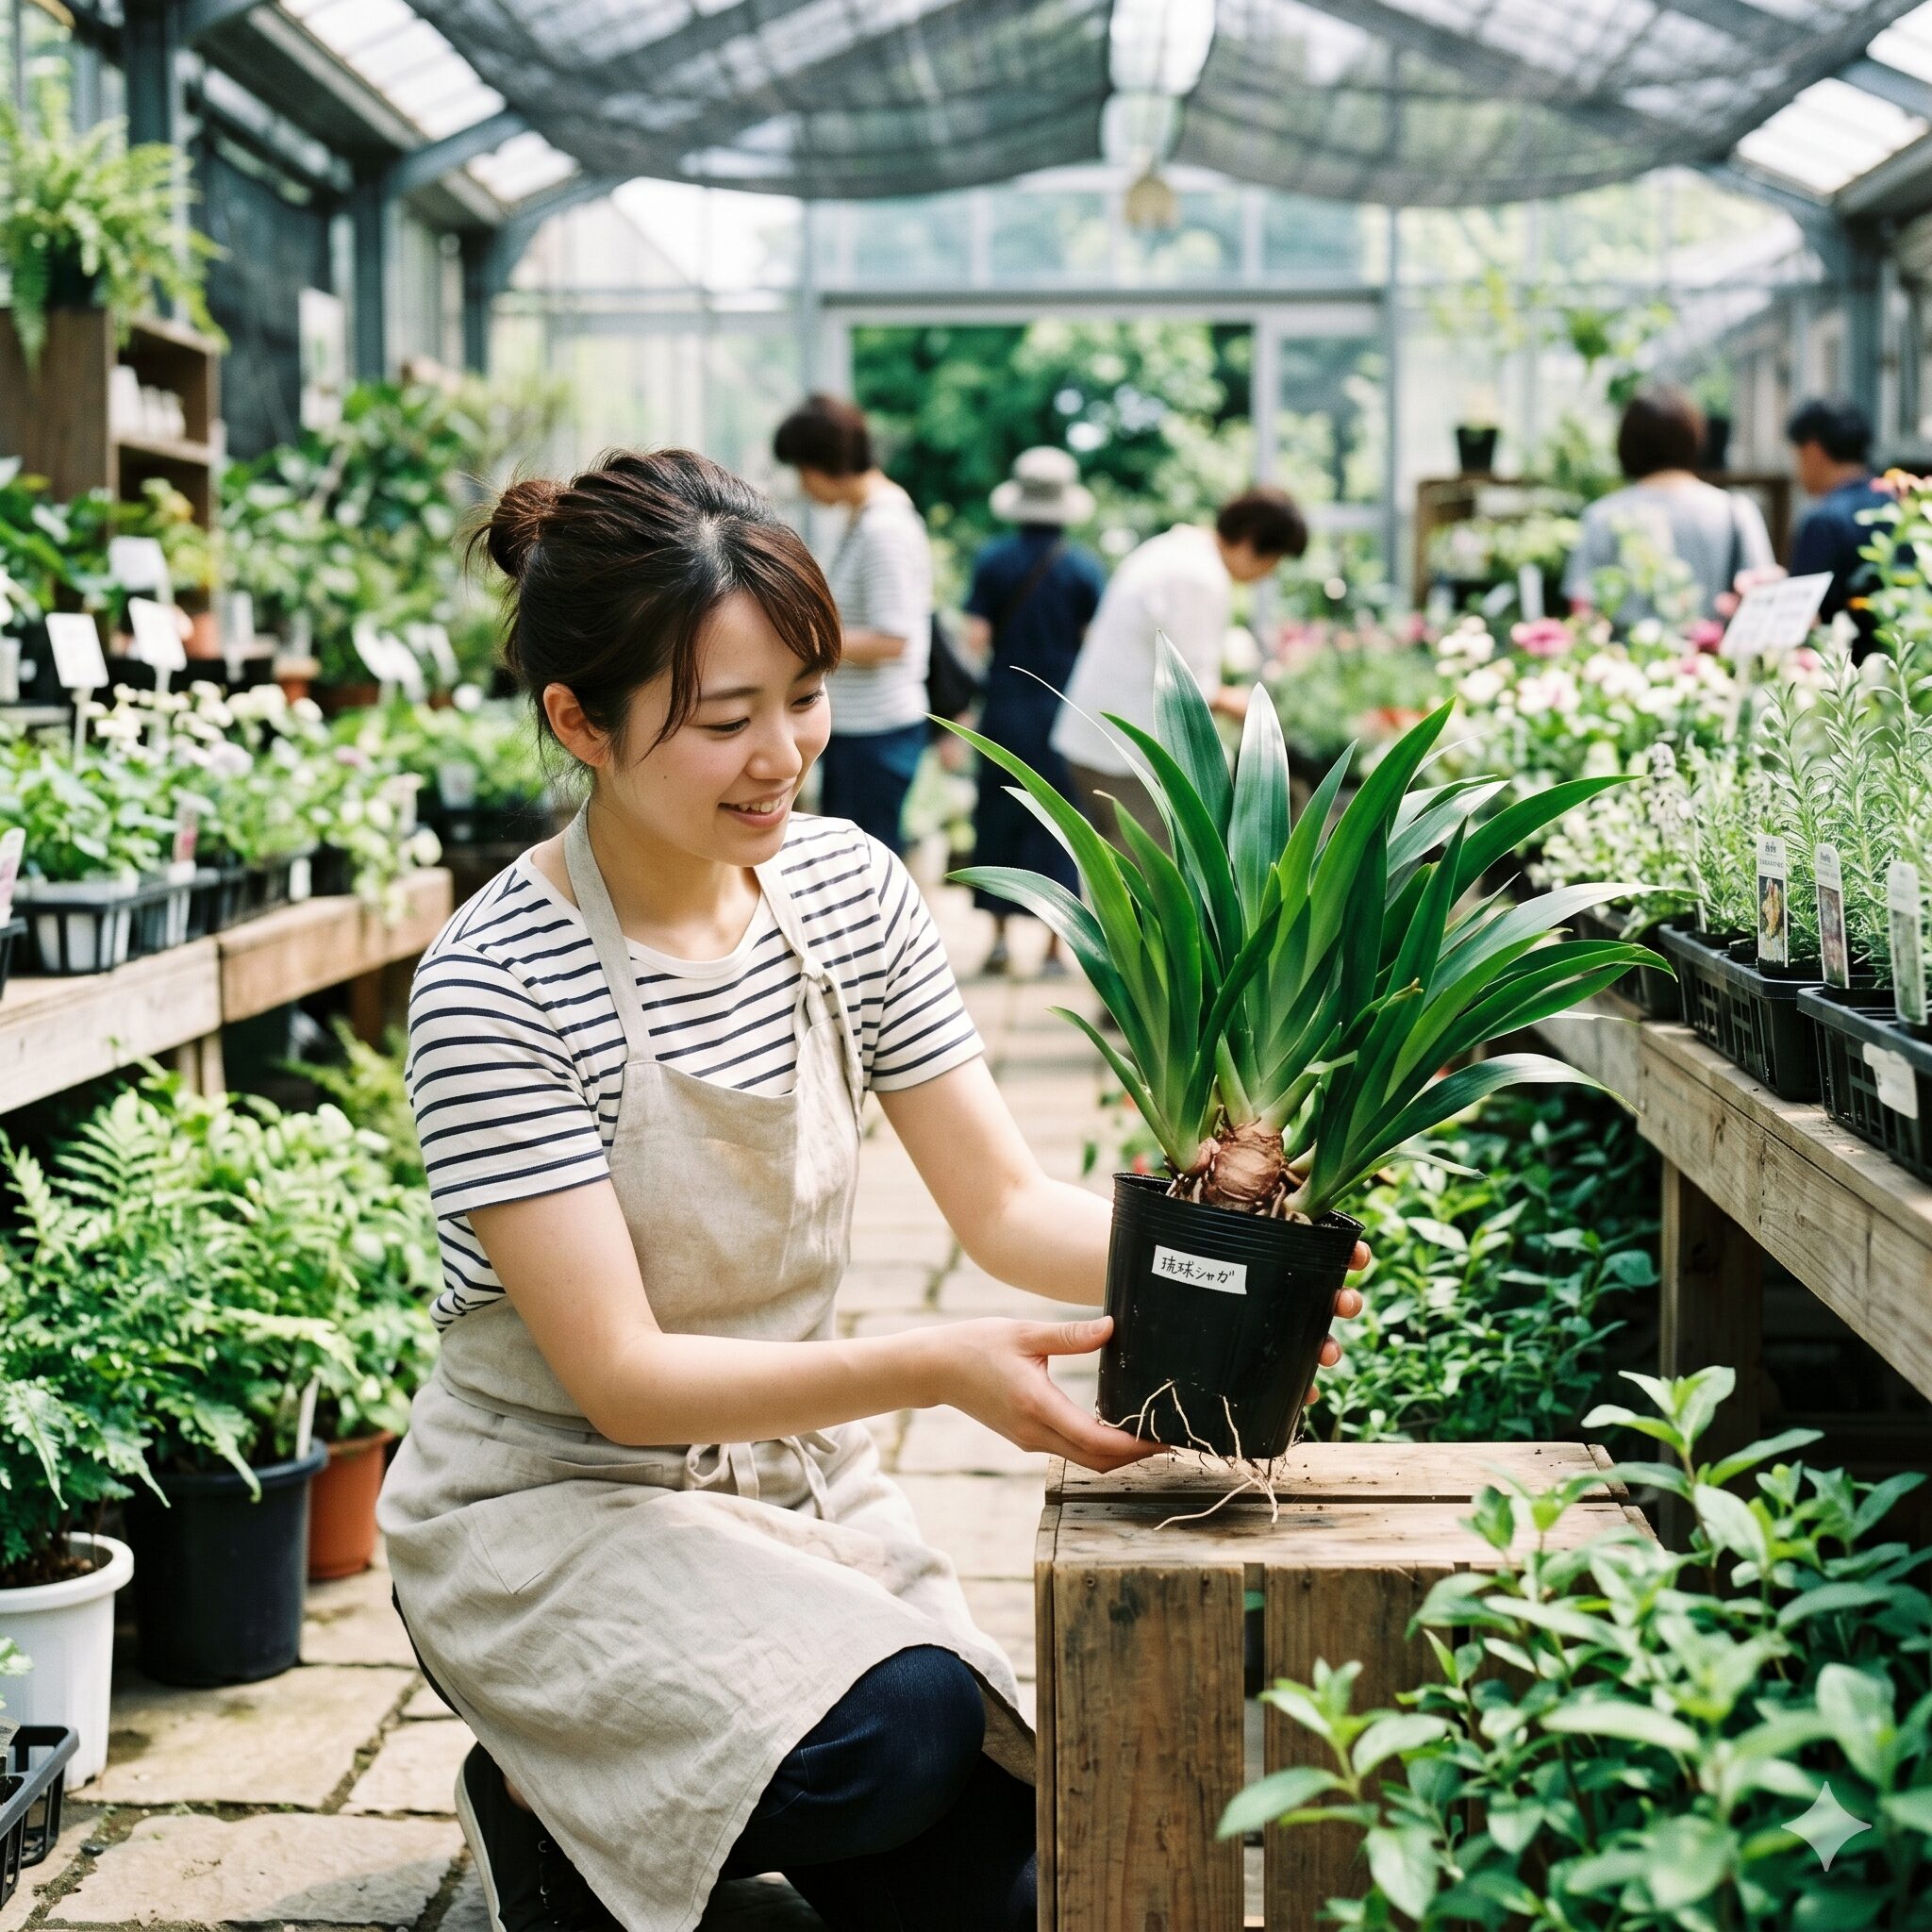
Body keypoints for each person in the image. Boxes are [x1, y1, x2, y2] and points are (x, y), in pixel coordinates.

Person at [378, 446, 1369, 1932]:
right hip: (555, 1503)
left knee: (1009, 1866)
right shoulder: (496, 987)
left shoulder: (849, 891)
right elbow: (625, 1381)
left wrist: (1230, 1275)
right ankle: (539, 1782)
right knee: (897, 1733)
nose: (784, 754)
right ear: (576, 721)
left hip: (786, 1479)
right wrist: (941, 1369)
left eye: (802, 696)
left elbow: (1007, 1208)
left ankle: (640, 1799)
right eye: (725, 719)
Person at [1050, 487, 1307, 850]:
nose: (1269, 574)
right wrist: (1254, 709)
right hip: (1127, 755)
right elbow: (1192, 688)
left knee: (1111, 875)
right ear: (1251, 543)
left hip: (1095, 740)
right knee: (1155, 886)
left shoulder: (1169, 550)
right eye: (1274, 561)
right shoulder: (1199, 577)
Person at [962, 447, 1108, 977]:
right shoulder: (1083, 567)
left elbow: (975, 636)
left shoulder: (993, 560)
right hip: (1064, 712)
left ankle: (999, 941)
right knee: (1059, 820)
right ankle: (1053, 946)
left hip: (1005, 706)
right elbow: (1096, 647)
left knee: (999, 814)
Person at [773, 394, 932, 855]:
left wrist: (800, 644)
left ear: (824, 463)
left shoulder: (885, 529)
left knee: (865, 859)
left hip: (878, 730)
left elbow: (893, 638)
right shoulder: (865, 519)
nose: (803, 486)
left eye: (802, 470)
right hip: (863, 729)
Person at [1564, 385, 1774, 625]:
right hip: (1717, 659)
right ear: (1694, 436)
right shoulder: (1735, 510)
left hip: (1622, 661)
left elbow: (1583, 612)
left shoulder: (1602, 516)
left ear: (1627, 443)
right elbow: (1762, 598)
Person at [1788, 396, 1889, 659]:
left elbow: (1802, 617)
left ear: (1812, 450)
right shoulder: (1901, 503)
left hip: (1849, 680)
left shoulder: (1824, 521)